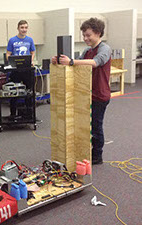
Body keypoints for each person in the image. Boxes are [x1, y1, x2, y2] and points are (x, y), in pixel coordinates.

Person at [52, 17, 111, 165]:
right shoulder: (87, 50)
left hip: (100, 95)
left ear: (98, 33)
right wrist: (60, 61)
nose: (85, 38)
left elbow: (95, 63)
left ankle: (97, 155)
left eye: (88, 35)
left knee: (96, 125)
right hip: (85, 94)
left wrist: (71, 61)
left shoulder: (105, 49)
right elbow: (75, 64)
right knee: (84, 125)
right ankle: (85, 150)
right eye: (84, 35)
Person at [6, 20, 36, 118]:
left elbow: (32, 52)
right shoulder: (12, 40)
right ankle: (13, 114)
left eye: (26, 27)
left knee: (29, 92)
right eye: (22, 27)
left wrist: (31, 61)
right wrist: (10, 62)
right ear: (18, 28)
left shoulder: (30, 40)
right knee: (14, 92)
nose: (24, 29)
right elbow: (8, 54)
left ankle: (29, 114)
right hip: (16, 71)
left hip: (27, 70)